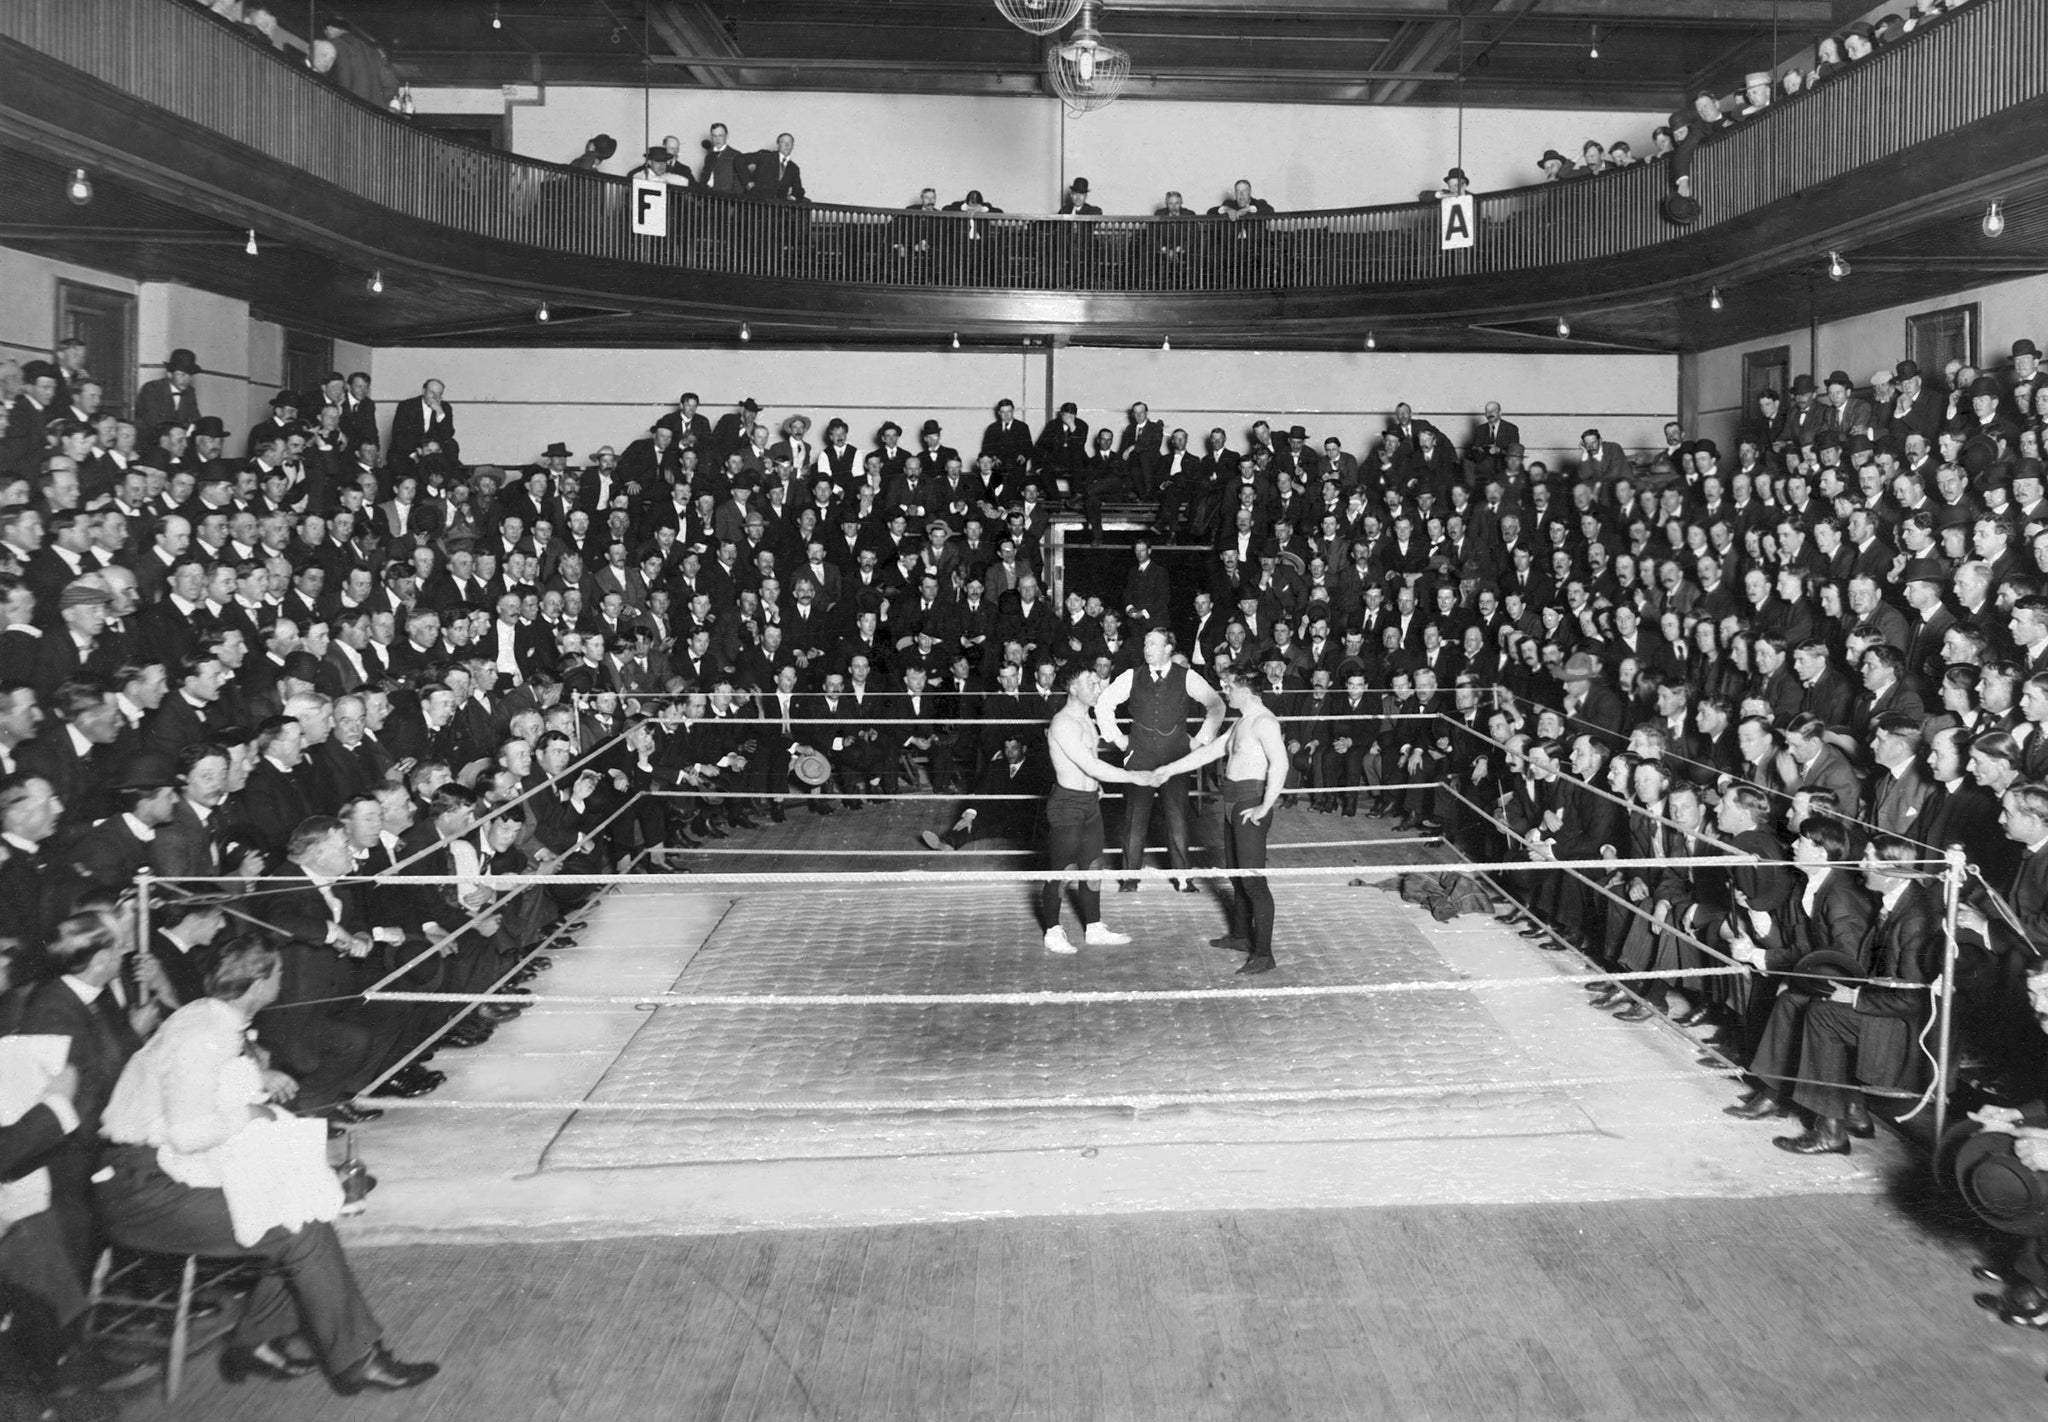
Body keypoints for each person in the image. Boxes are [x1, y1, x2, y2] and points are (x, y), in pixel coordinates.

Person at [95, 935, 439, 1394]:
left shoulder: (209, 1016)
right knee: (301, 1228)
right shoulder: (202, 1035)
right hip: (142, 1188)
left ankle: (255, 1342)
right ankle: (358, 1360)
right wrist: (250, 1112)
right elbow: (188, 1133)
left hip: (158, 1171)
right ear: (258, 984)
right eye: (277, 973)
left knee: (301, 1207)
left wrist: (259, 1076)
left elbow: (210, 1081)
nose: (283, 979)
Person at [1153, 668, 1291, 975]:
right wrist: (1168, 770)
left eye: (1229, 686)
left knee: (1253, 880)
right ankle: (1241, 936)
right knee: (1236, 875)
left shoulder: (1264, 721)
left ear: (1245, 688)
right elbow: (1209, 752)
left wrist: (1264, 807)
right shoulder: (1241, 723)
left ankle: (1264, 953)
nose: (1225, 691)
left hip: (1249, 802)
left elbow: (1281, 765)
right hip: (1233, 802)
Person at [1095, 627, 1226, 894]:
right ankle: (1129, 879)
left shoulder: (1186, 676)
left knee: (1177, 817)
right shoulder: (1132, 676)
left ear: (1169, 648)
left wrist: (1199, 741)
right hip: (1139, 755)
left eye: (1153, 644)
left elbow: (1217, 705)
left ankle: (1183, 878)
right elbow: (1102, 704)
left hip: (1175, 756)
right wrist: (1118, 740)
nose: (1147, 648)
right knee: (1135, 818)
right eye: (1145, 643)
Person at [1041, 666, 1156, 955]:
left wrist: (1095, 786)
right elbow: (1090, 765)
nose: (1097, 687)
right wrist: (1133, 776)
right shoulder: (1063, 722)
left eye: (1097, 682)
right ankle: (1052, 930)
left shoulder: (1087, 720)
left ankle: (1094, 927)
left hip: (1090, 802)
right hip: (1067, 804)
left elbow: (1088, 766)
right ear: (1072, 688)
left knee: (1093, 867)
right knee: (1063, 871)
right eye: (1090, 683)